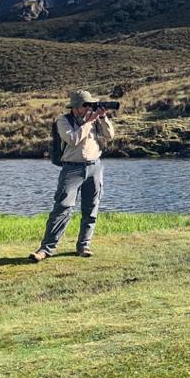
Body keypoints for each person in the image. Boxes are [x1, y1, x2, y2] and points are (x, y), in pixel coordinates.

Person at [29, 90, 115, 262]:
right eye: (86, 105)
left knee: (91, 208)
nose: (89, 107)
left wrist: (103, 118)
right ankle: (46, 249)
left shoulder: (95, 120)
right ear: (75, 107)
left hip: (94, 167)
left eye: (90, 104)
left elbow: (110, 135)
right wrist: (88, 122)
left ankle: (84, 245)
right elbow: (73, 139)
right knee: (62, 207)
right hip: (71, 169)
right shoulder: (63, 121)